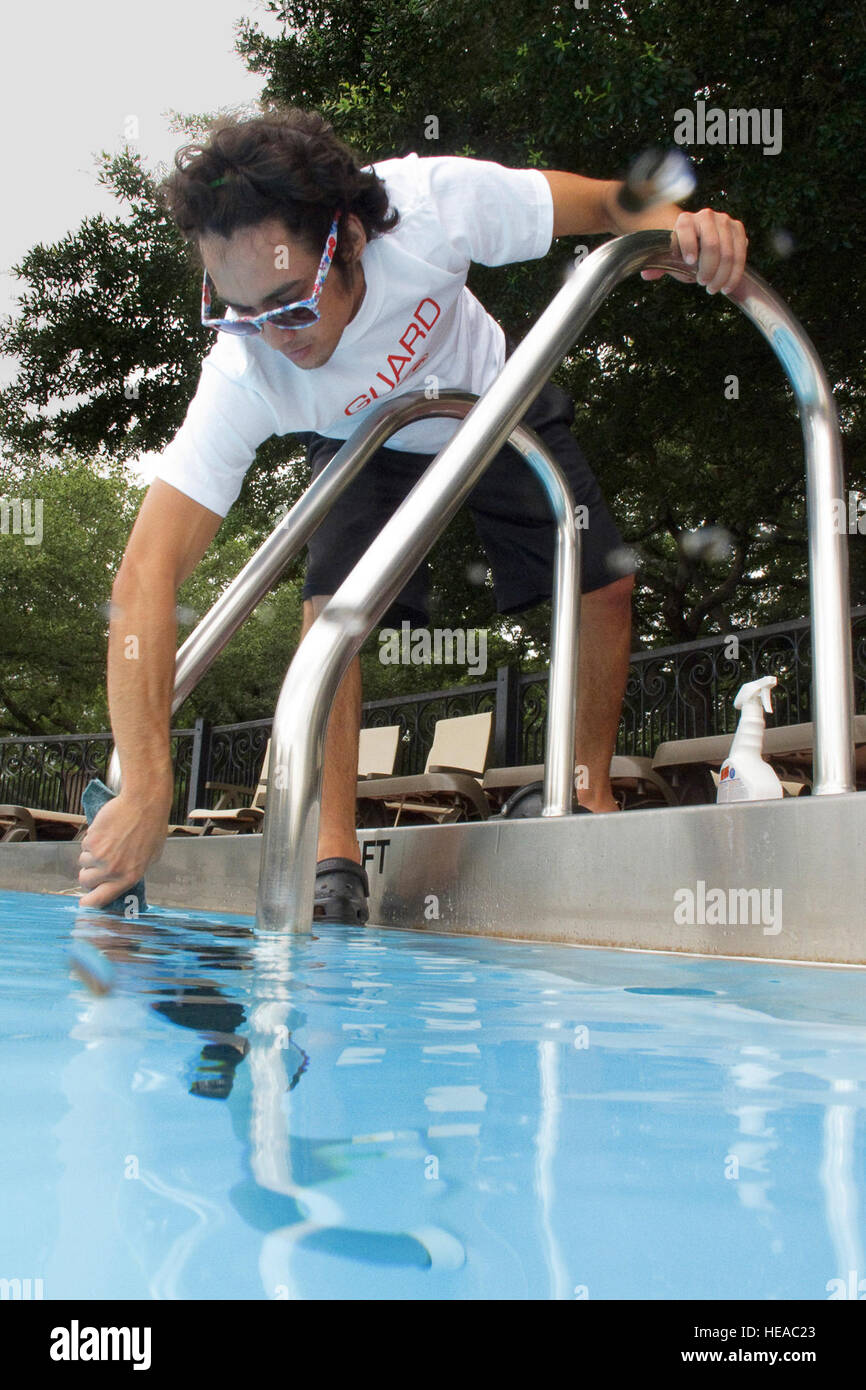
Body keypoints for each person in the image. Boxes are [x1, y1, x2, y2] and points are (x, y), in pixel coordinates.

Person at [77, 105, 748, 921]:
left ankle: (588, 790)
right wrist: (147, 785)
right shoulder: (247, 365)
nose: (272, 337)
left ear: (350, 238)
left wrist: (684, 227)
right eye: (237, 310)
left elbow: (611, 205)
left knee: (604, 584)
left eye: (289, 305)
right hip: (362, 442)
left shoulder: (431, 205)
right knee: (331, 622)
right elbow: (147, 571)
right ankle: (332, 855)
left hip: (490, 402)